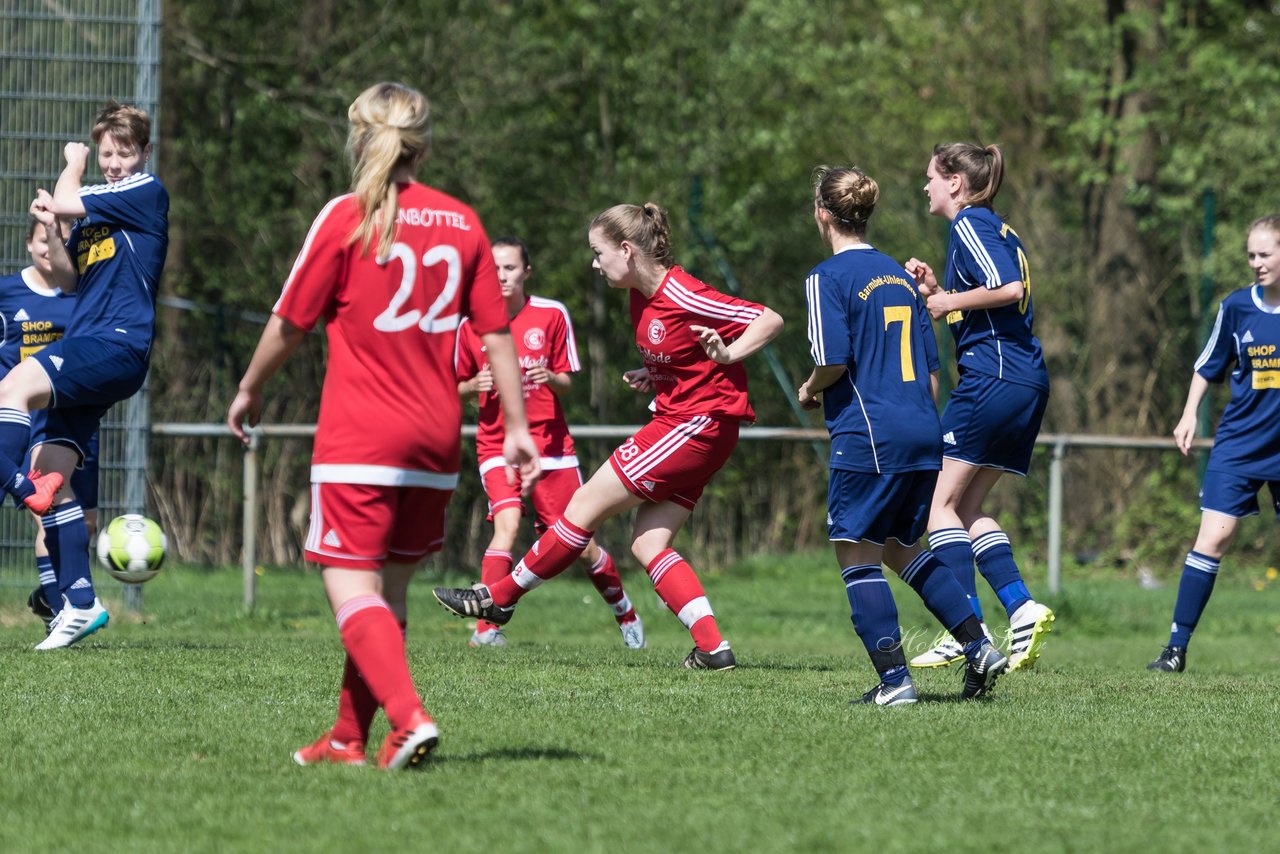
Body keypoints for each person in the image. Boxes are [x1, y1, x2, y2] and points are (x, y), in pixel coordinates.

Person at [227, 82, 538, 770]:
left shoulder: (347, 216)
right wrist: (516, 426)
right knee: (388, 593)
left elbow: (288, 324)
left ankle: (409, 719)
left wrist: (248, 388)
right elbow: (497, 337)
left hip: (361, 436)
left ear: (359, 137)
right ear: (424, 143)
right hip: (434, 439)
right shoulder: (464, 222)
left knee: (347, 585)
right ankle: (346, 739)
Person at [434, 202, 783, 670]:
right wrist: (656, 373)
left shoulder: (682, 291)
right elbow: (683, 354)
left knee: (581, 507)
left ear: (626, 250)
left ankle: (500, 599)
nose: (595, 265)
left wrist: (728, 353)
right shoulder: (639, 295)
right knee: (647, 544)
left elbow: (769, 319)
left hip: (694, 426)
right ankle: (713, 648)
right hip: (694, 425)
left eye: (599, 254)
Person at [799, 166, 1009, 704]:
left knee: (855, 553)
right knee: (900, 547)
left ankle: (894, 683)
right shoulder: (899, 276)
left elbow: (830, 359)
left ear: (824, 213)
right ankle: (977, 643)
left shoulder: (826, 278)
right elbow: (932, 371)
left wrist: (810, 387)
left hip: (869, 434)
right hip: (922, 429)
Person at [8, 101, 168, 650]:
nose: (115, 162)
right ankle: (80, 604)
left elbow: (69, 194)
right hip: (87, 343)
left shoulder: (145, 193)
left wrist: (72, 164)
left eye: (125, 152)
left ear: (143, 154)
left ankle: (6, 480)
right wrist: (53, 231)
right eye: (106, 153)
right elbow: (70, 278)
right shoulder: (98, 214)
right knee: (51, 475)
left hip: (115, 344)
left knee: (12, 388)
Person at [903, 143, 1056, 673]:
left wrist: (947, 302)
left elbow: (1008, 289)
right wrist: (938, 290)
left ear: (955, 183)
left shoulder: (969, 224)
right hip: (1020, 378)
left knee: (934, 506)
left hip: (992, 380)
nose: (924, 186)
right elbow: (993, 307)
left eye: (930, 177)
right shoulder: (992, 226)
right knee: (964, 511)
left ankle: (967, 629)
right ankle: (1022, 608)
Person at [455, 236, 645, 649]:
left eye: (509, 267)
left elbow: (567, 382)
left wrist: (550, 378)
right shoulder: (469, 324)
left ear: (527, 272)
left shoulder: (551, 314)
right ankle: (487, 630)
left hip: (552, 450)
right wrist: (471, 385)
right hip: (496, 445)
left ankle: (625, 614)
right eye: (494, 268)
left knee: (580, 546)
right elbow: (451, 389)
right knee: (505, 529)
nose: (501, 275)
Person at [1148, 215, 1280, 672]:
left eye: (1265, 254)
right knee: (1214, 537)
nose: (1257, 263)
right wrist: (1187, 414)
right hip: (1239, 445)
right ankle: (1175, 649)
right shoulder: (1237, 307)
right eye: (1251, 255)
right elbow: (1207, 366)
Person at [0, 217, 101, 634]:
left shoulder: (82, 295)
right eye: (44, 240)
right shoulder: (7, 293)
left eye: (57, 241)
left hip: (70, 415)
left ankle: (49, 598)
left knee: (85, 520)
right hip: (22, 420)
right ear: (28, 243)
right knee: (47, 510)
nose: (49, 248)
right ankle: (65, 608)